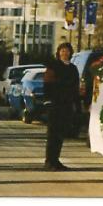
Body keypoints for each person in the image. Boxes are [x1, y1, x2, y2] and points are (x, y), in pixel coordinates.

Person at [42, 41, 80, 171]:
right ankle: (49, 161)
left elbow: (75, 87)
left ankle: (56, 160)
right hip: (55, 104)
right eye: (62, 51)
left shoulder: (73, 68)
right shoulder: (53, 66)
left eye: (67, 51)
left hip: (67, 104)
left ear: (70, 53)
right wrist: (48, 100)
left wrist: (76, 103)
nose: (64, 53)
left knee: (60, 135)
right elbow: (47, 84)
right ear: (58, 53)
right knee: (52, 134)